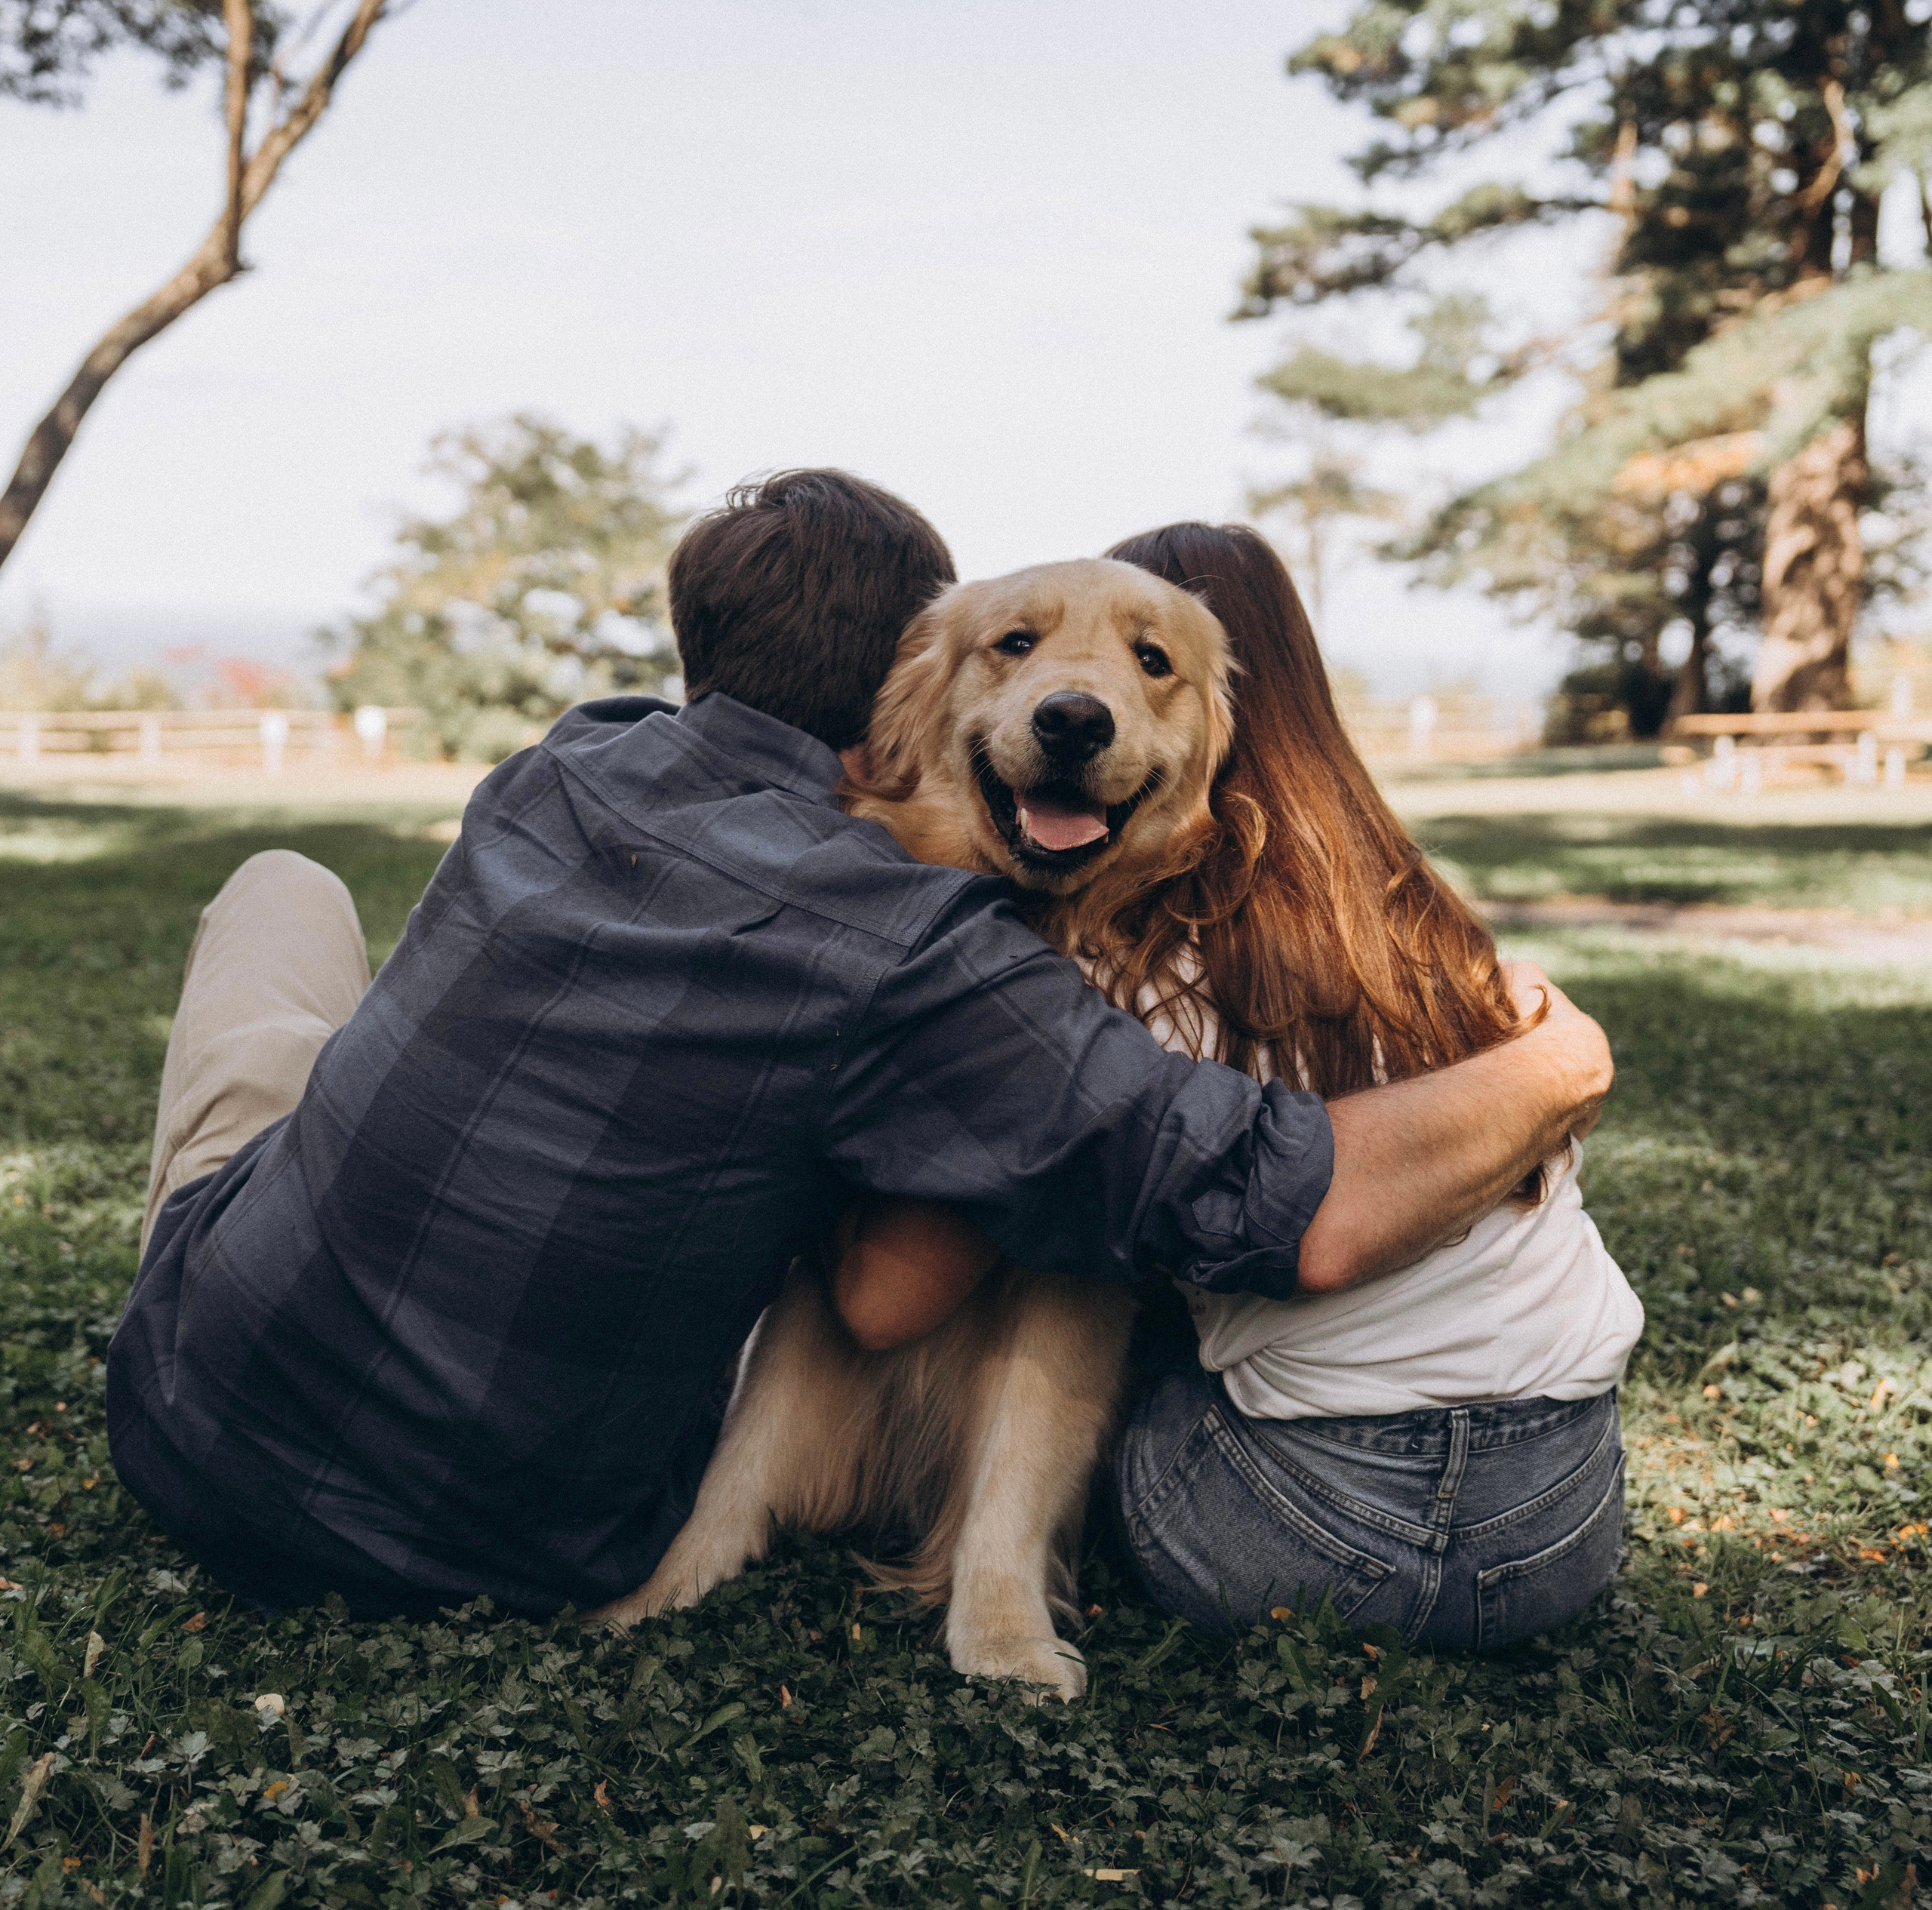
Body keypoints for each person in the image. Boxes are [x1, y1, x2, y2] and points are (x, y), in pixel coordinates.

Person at [107, 471, 1613, 1622]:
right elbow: (1282, 1196)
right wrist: (1559, 1065)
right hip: (510, 1543)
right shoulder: (929, 955)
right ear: (910, 688)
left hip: (185, 1401)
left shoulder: (562, 757)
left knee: (286, 896)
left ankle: (295, 1195)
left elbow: (888, 1287)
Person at [835, 521, 1640, 1650]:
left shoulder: (1122, 971)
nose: (1091, 684)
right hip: (1568, 1523)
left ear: (1223, 720)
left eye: (1147, 658)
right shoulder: (1427, 928)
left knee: (1092, 1283)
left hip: (1298, 1538)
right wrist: (1567, 1059)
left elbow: (890, 1302)